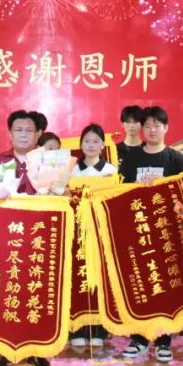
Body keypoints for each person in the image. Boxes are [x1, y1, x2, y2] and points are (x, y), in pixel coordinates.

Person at [118, 106, 183, 363]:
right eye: (147, 126)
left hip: (167, 233)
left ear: (166, 128)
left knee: (166, 287)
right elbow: (120, 193)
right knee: (140, 285)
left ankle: (163, 340)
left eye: (157, 125)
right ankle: (138, 338)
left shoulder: (176, 159)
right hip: (138, 233)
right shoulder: (131, 158)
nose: (152, 130)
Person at [0, 110, 51, 366]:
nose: (23, 135)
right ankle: (3, 350)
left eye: (29, 130)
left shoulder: (47, 161)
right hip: (6, 238)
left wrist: (56, 190)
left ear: (38, 134)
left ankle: (37, 350)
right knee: (6, 292)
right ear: (10, 133)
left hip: (38, 237)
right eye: (18, 130)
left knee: (36, 292)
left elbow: (64, 191)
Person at [68, 123, 115, 349]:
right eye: (87, 141)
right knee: (76, 279)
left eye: (96, 141)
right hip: (75, 232)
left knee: (99, 279)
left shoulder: (110, 170)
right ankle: (76, 328)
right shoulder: (71, 169)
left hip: (99, 232)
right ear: (80, 144)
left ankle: (99, 329)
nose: (91, 145)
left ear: (103, 145)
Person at [116, 105, 144, 170]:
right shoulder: (114, 149)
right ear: (122, 124)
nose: (131, 126)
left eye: (135, 122)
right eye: (128, 122)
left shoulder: (149, 148)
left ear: (142, 124)